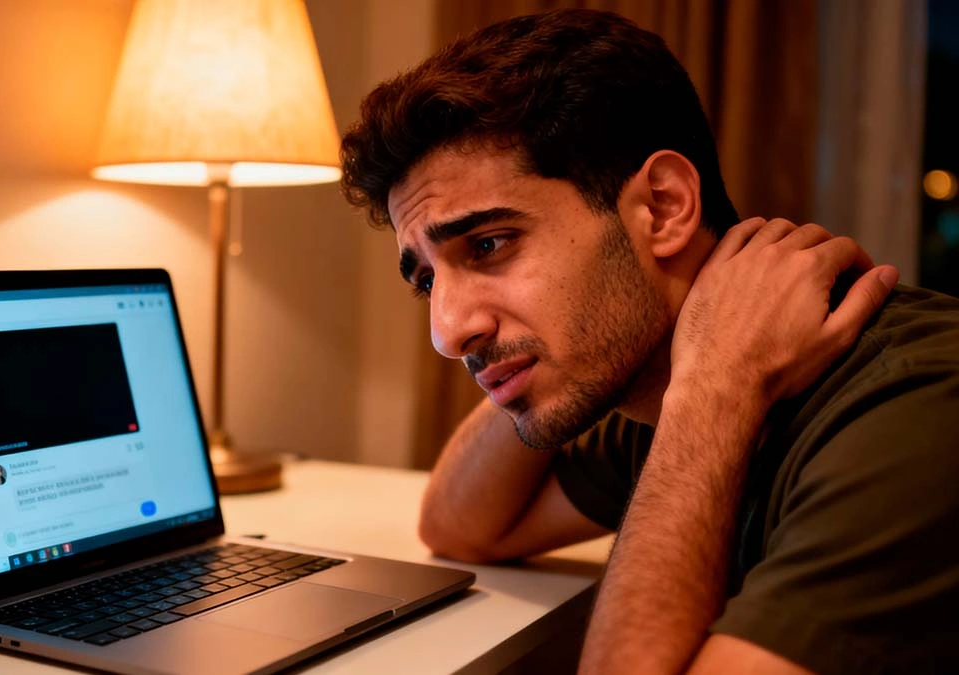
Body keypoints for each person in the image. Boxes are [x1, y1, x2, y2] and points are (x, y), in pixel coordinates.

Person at [340, 9, 959, 675]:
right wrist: (705, 384)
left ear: (662, 206)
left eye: (489, 244)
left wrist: (715, 390)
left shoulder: (918, 409)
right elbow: (461, 524)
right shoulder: (662, 382)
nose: (448, 330)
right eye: (428, 278)